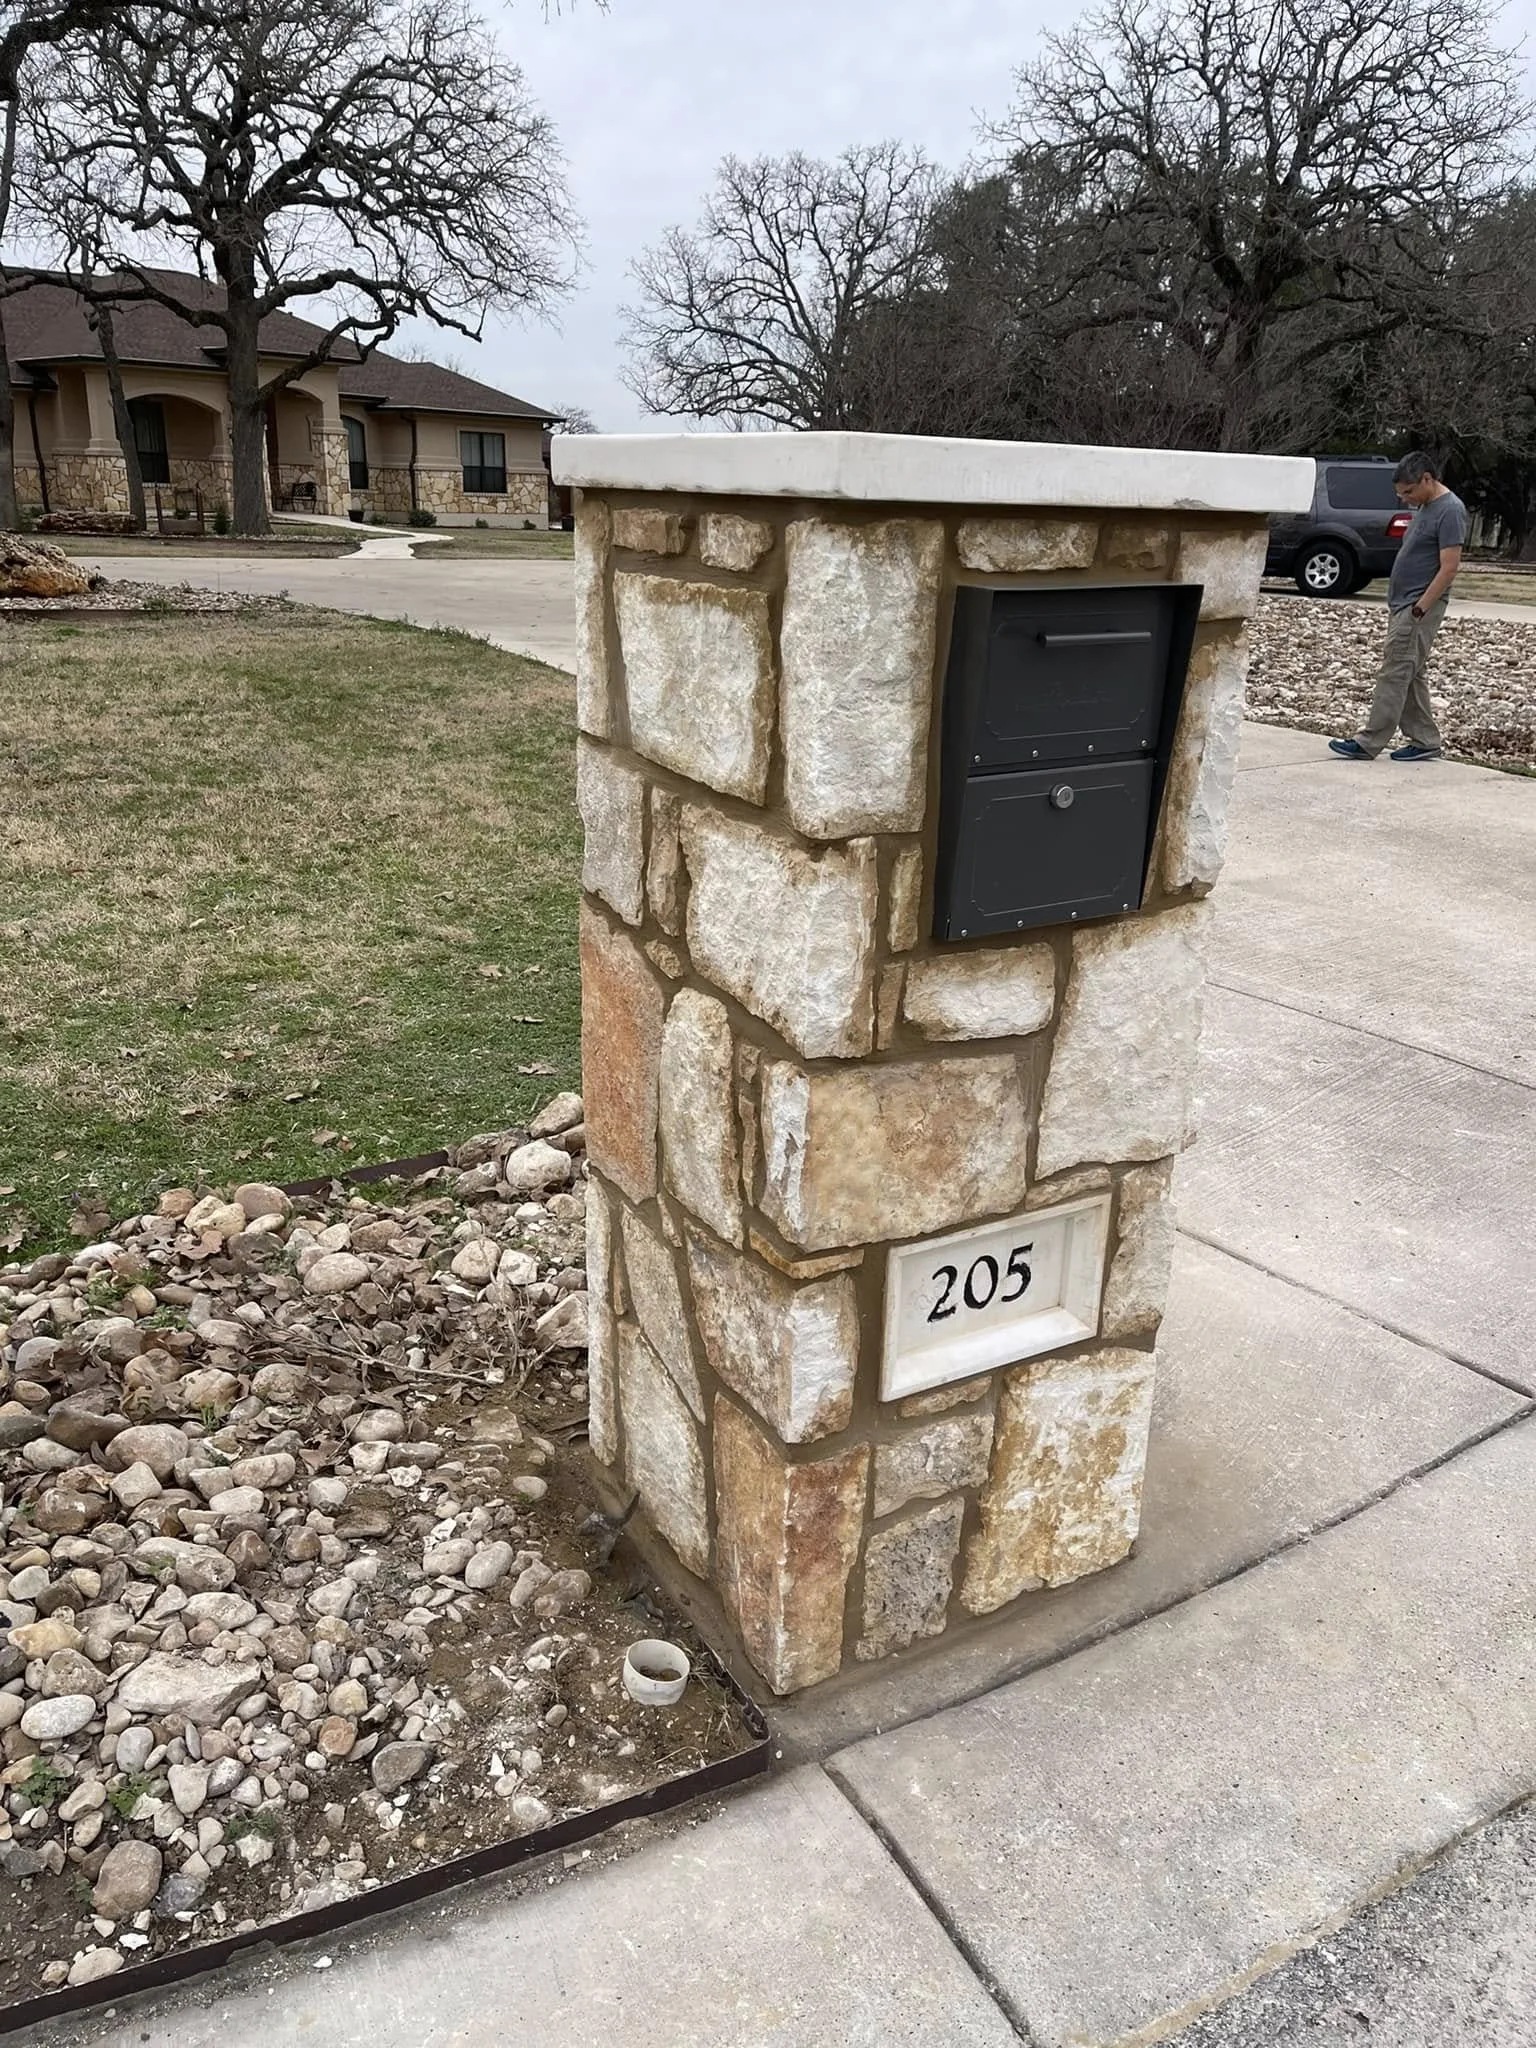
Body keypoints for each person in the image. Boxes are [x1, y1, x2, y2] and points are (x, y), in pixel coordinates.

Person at [1328, 451, 1465, 762]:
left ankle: (1369, 741)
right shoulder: (1426, 506)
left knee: (1394, 672)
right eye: (1401, 493)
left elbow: (1449, 567)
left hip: (1418, 606)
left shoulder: (1451, 510)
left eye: (1409, 492)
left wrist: (1421, 607)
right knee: (1410, 671)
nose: (1405, 499)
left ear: (1427, 479)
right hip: (1405, 603)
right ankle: (1425, 740)